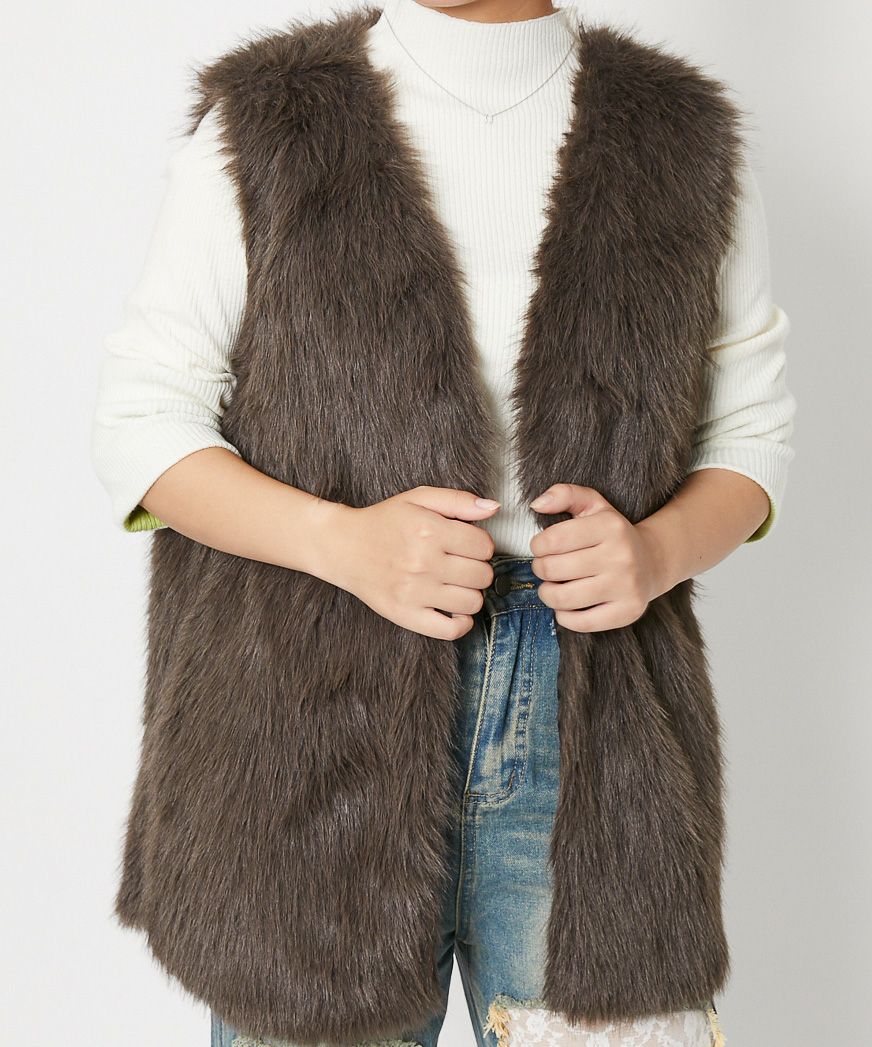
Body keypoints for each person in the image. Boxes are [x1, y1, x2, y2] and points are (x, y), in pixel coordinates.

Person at [90, 2, 797, 1045]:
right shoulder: (268, 119)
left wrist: (654, 552)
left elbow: (750, 431)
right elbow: (142, 421)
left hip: (595, 732)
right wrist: (344, 543)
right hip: (305, 732)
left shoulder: (680, 134)